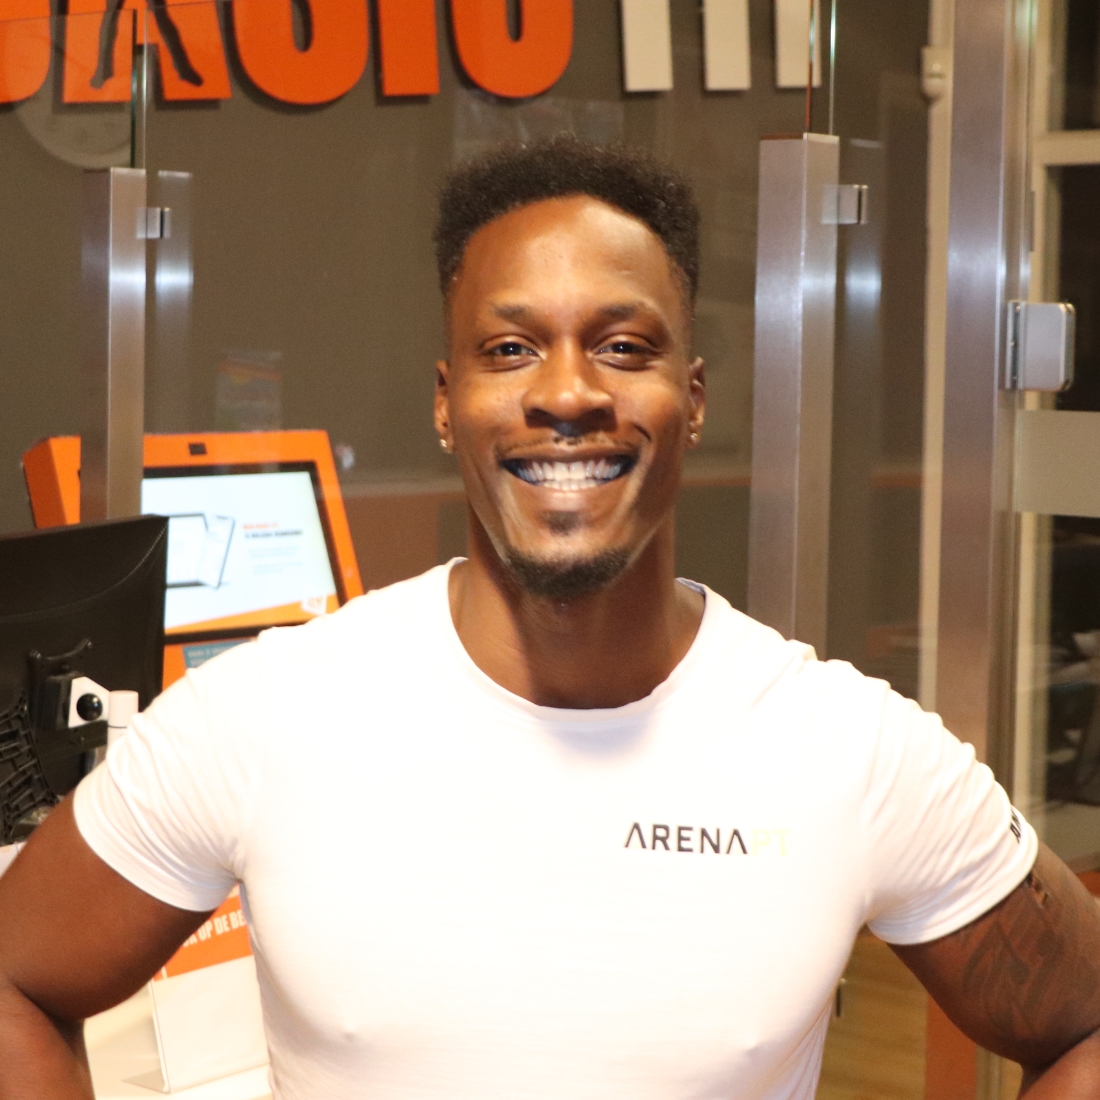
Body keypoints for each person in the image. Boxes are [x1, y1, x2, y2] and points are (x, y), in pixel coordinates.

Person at [1, 136, 1099, 1100]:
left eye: (622, 345)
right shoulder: (265, 713)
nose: (567, 393)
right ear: (447, 403)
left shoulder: (847, 748)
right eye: (510, 348)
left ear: (693, 399)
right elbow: (16, 979)